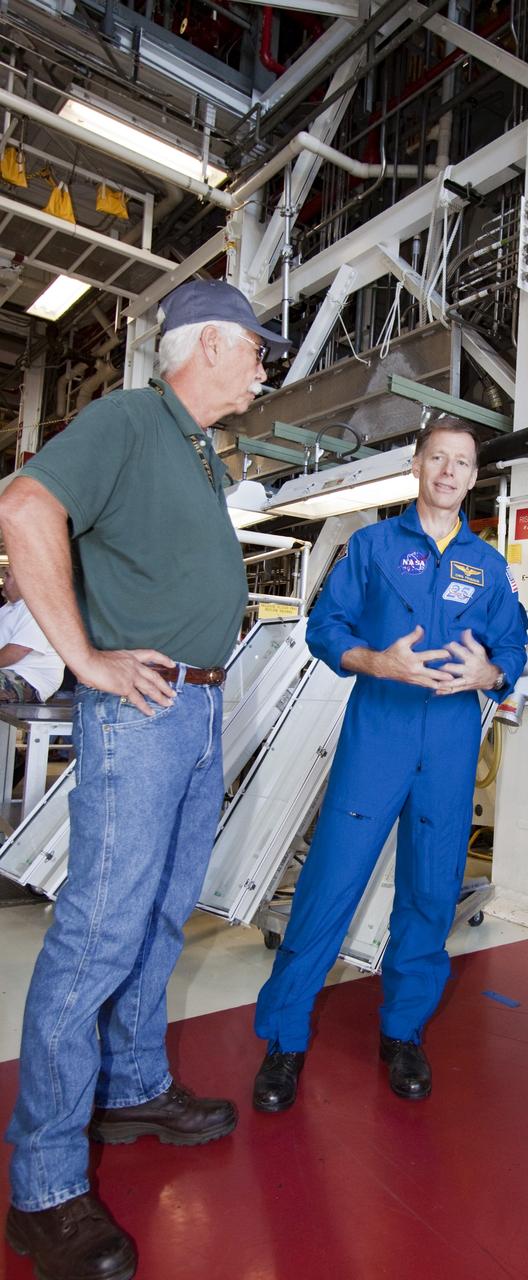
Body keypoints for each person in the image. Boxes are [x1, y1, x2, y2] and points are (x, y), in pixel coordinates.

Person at [0, 280, 287, 1280]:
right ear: (203, 344)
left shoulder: (198, 451)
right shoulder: (128, 418)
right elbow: (26, 504)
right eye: (254, 345)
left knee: (164, 913)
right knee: (98, 933)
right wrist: (84, 656)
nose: (263, 361)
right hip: (143, 709)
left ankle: (129, 1083)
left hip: (198, 707)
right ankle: (41, 1187)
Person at [253, 420, 528, 1109]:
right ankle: (283, 1039)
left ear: (472, 478)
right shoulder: (370, 547)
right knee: (329, 885)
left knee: (431, 891)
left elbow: (513, 646)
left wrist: (489, 672)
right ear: (416, 465)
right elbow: (324, 629)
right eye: (437, 457)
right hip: (376, 736)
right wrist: (375, 660)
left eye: (461, 463)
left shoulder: (487, 566)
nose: (447, 471)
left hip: (450, 744)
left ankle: (402, 1030)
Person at [0, 564, 64, 703]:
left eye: (8, 576)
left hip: (28, 679)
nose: (3, 580)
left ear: (25, 581)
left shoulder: (37, 608)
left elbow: (17, 651)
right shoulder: (8, 608)